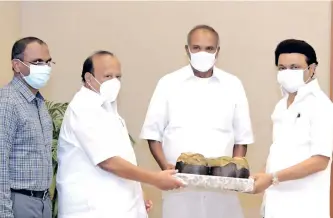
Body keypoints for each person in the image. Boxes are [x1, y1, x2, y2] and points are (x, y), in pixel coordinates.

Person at [140, 25, 254, 218]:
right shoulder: (168, 83)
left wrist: (234, 173)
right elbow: (153, 134)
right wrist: (165, 167)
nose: (203, 53)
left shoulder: (233, 85)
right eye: (197, 48)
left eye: (209, 49)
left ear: (218, 51)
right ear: (187, 50)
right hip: (180, 188)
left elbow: (241, 138)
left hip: (222, 191)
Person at [56, 51, 184, 218]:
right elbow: (108, 162)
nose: (114, 82)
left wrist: (137, 192)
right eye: (108, 76)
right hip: (92, 209)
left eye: (118, 76)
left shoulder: (108, 108)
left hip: (118, 207)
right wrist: (155, 179)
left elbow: (123, 158)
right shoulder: (83, 108)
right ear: (88, 78)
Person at [252, 39, 333, 218]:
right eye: (282, 68)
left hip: (304, 208)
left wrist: (272, 178)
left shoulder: (321, 106)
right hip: (274, 206)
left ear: (311, 69)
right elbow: (279, 151)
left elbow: (320, 160)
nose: (287, 73)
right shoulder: (281, 106)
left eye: (295, 67)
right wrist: (262, 175)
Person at [0, 37, 54, 218]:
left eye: (47, 62)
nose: (45, 68)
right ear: (16, 65)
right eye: (37, 62)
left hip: (43, 202)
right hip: (19, 202)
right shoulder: (7, 102)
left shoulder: (38, 103)